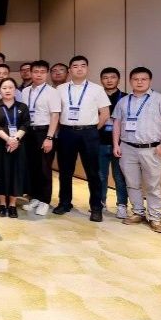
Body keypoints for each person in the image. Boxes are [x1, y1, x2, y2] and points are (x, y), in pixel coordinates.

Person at [112, 67, 161, 233]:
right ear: (130, 81)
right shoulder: (123, 101)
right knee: (132, 183)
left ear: (150, 81)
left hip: (151, 149)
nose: (139, 82)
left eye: (143, 79)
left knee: (153, 185)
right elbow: (117, 124)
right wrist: (116, 144)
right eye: (136, 79)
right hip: (127, 148)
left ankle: (155, 217)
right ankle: (138, 212)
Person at [54, 55, 111, 222]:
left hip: (89, 133)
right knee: (65, 171)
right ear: (70, 70)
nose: (79, 69)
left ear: (87, 69)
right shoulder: (60, 89)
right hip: (66, 132)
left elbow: (105, 113)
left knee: (93, 172)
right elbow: (55, 112)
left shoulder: (96, 89)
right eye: (75, 66)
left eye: (82, 66)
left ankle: (96, 207)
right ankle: (64, 203)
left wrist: (92, 129)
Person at [21, 60, 60, 216]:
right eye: (36, 71)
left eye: (42, 72)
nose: (38, 75)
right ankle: (35, 197)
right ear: (31, 73)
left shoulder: (52, 92)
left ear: (47, 73)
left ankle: (45, 200)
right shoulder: (25, 91)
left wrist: (49, 137)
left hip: (44, 132)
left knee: (45, 168)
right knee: (32, 167)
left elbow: (55, 115)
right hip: (28, 133)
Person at [0, 78, 30, 218]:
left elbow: (25, 124)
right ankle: (2, 204)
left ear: (15, 90)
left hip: (18, 146)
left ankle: (12, 205)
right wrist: (8, 139)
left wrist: (15, 139)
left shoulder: (22, 107)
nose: (7, 90)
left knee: (15, 173)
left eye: (10, 87)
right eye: (4, 88)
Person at [98, 67, 127, 217]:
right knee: (100, 176)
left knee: (120, 177)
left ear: (118, 79)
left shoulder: (126, 98)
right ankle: (100, 203)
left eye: (113, 77)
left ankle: (122, 205)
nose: (109, 80)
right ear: (101, 80)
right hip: (100, 142)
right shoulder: (96, 98)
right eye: (105, 77)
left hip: (121, 144)